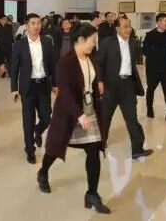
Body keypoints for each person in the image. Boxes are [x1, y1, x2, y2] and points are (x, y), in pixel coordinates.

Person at [37, 25, 111, 214]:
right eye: (92, 41)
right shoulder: (65, 62)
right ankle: (43, 172)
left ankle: (92, 194)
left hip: (89, 111)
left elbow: (91, 82)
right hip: (69, 114)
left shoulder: (90, 58)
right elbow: (65, 94)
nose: (94, 45)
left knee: (93, 151)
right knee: (55, 148)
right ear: (80, 40)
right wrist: (79, 114)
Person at [96, 17, 152, 160]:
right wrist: (100, 81)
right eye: (125, 27)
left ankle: (137, 149)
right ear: (117, 28)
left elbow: (133, 64)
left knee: (132, 119)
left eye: (129, 26)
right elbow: (99, 63)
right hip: (110, 86)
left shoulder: (133, 43)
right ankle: (100, 143)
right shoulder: (107, 42)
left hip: (127, 86)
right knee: (105, 117)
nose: (128, 29)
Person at [11, 13, 57, 164]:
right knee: (28, 120)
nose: (36, 26)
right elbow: (14, 68)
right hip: (27, 87)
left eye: (38, 23)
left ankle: (38, 130)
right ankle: (30, 149)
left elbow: (52, 64)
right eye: (33, 23)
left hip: (43, 85)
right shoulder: (19, 44)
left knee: (46, 117)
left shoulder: (47, 42)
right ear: (27, 26)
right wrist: (14, 88)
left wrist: (55, 84)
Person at [143, 13, 166, 123]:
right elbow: (145, 51)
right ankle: (149, 109)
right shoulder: (150, 35)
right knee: (151, 89)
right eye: (165, 21)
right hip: (153, 69)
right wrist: (156, 53)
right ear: (158, 22)